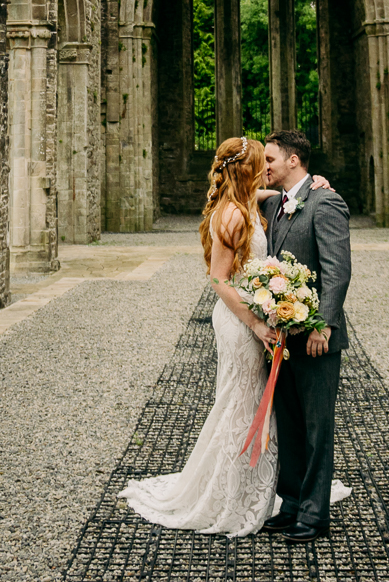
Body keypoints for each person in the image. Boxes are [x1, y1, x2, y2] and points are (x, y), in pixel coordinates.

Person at [119, 136, 283, 537]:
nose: (266, 169)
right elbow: (218, 279)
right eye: (261, 163)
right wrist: (258, 323)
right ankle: (231, 495)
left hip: (243, 315)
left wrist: (305, 185)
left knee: (243, 398)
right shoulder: (232, 216)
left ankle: (246, 483)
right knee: (241, 403)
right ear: (246, 170)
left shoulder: (239, 203)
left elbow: (263, 190)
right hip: (239, 319)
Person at [259, 128, 351, 541]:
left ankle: (315, 514)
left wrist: (325, 325)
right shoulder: (278, 203)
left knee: (317, 428)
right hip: (283, 337)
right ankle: (292, 502)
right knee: (291, 425)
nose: (265, 166)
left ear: (293, 160)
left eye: (270, 160)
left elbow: (337, 269)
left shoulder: (325, 201)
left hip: (315, 338)